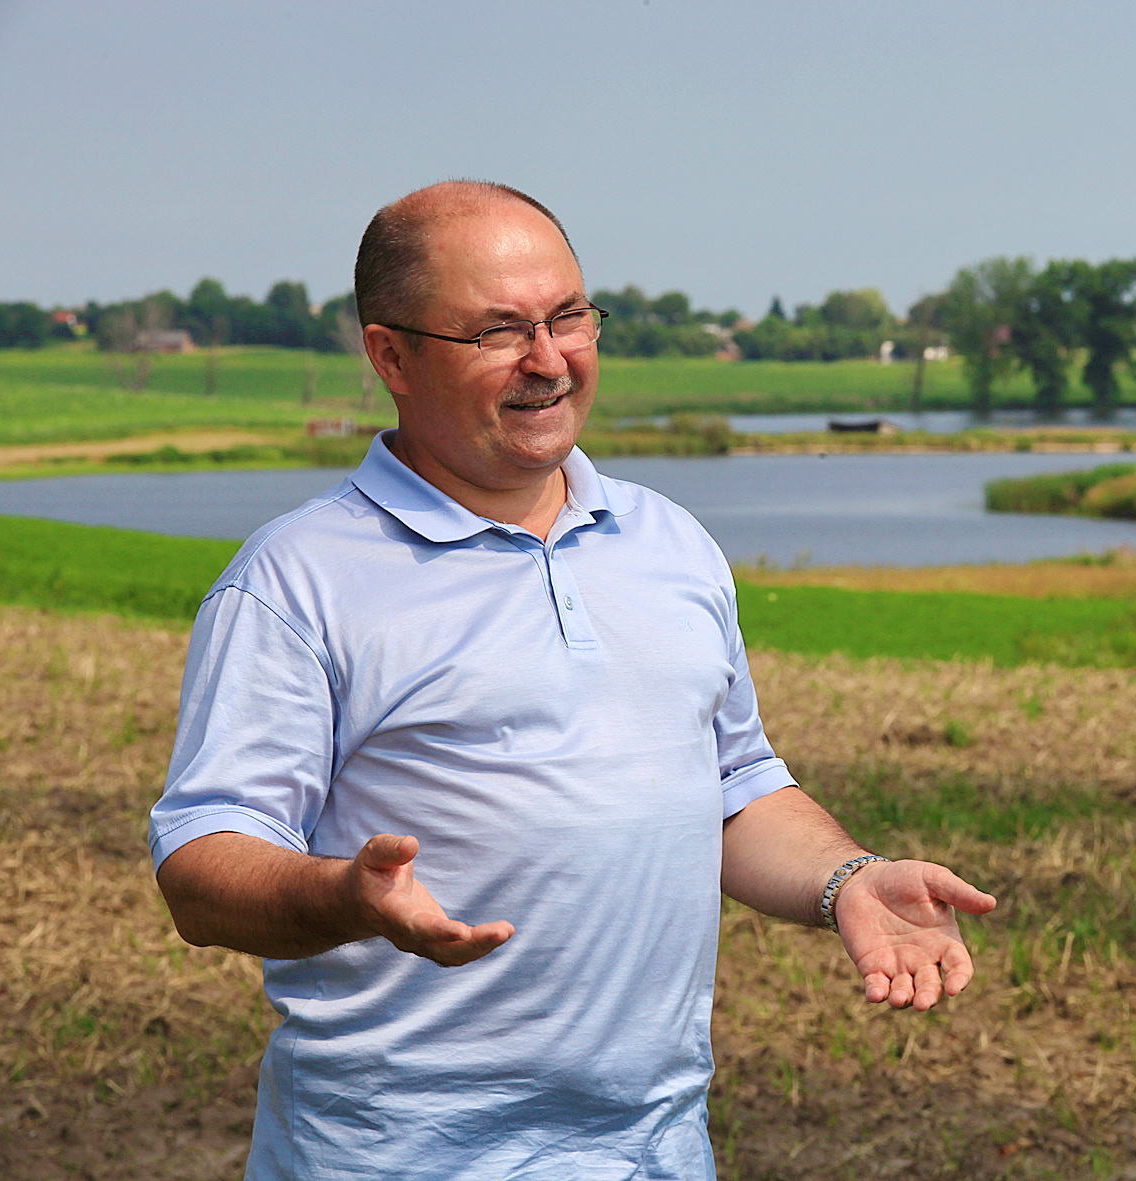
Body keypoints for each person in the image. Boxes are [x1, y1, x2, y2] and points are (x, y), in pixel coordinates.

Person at [148, 180, 996, 1180]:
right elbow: (201, 868)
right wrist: (345, 895)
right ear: (391, 355)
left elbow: (734, 789)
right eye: (497, 332)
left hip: (655, 1149)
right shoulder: (296, 578)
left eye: (566, 317)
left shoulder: (668, 540)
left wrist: (847, 879)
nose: (548, 359)